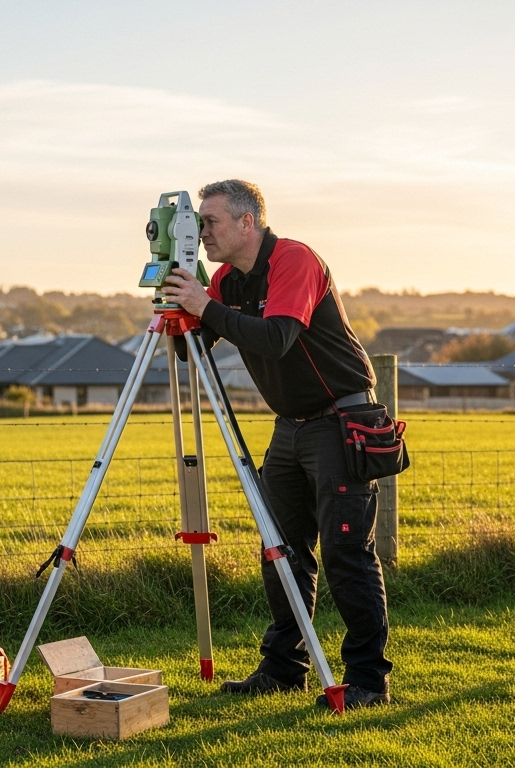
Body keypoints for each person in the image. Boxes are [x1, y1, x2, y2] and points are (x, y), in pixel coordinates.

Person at [161, 179, 391, 709]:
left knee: (346, 554)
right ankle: (285, 668)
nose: (202, 232)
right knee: (279, 550)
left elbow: (277, 337)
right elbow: (192, 348)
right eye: (198, 222)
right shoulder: (226, 279)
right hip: (290, 427)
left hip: (341, 419)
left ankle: (368, 680)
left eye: (211, 221)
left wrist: (203, 305)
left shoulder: (295, 260)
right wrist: (179, 307)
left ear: (248, 222)